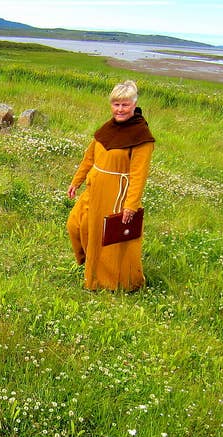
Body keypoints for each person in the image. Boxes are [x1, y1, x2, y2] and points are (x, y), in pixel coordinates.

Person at [66, 80, 155, 291]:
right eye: (116, 104)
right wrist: (76, 181)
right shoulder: (107, 128)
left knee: (112, 241)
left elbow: (139, 174)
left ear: (134, 105)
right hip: (94, 189)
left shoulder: (141, 137)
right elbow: (89, 158)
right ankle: (91, 264)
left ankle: (117, 283)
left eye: (125, 105)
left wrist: (131, 205)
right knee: (76, 225)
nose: (120, 109)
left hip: (117, 193)